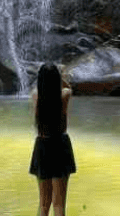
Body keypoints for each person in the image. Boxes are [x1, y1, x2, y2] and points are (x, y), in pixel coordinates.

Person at [29, 62, 76, 216]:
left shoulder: (35, 95)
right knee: (59, 204)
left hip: (42, 145)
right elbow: (69, 88)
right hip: (60, 146)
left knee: (43, 204)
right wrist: (60, 77)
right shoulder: (64, 95)